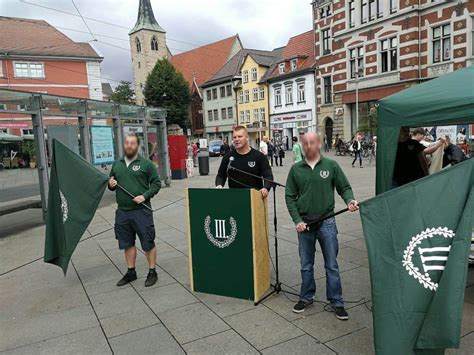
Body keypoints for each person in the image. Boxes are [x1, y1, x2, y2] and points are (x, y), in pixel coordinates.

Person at [285, 132, 359, 320]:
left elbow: (344, 188)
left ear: (319, 144)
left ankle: (336, 301)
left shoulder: (331, 165)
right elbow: (290, 197)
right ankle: (306, 296)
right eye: (305, 143)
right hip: (305, 224)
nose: (309, 146)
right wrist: (297, 220)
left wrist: (350, 200)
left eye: (312, 142)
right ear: (302, 145)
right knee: (306, 265)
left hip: (327, 221)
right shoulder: (296, 170)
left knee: (332, 265)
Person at [108, 134, 161, 287]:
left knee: (148, 242)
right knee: (127, 243)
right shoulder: (116, 164)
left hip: (141, 211)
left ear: (137, 146)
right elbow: (112, 185)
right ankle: (131, 272)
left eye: (132, 143)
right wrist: (110, 184)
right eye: (127, 143)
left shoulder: (146, 164)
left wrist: (144, 196)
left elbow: (156, 184)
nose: (129, 146)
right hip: (123, 212)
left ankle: (152, 272)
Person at [216, 126, 273, 198]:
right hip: (234, 198)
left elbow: (268, 175)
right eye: (234, 137)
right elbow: (221, 176)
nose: (236, 139)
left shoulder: (259, 156)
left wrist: (266, 188)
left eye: (240, 136)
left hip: (255, 198)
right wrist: (219, 185)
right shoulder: (228, 157)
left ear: (247, 138)